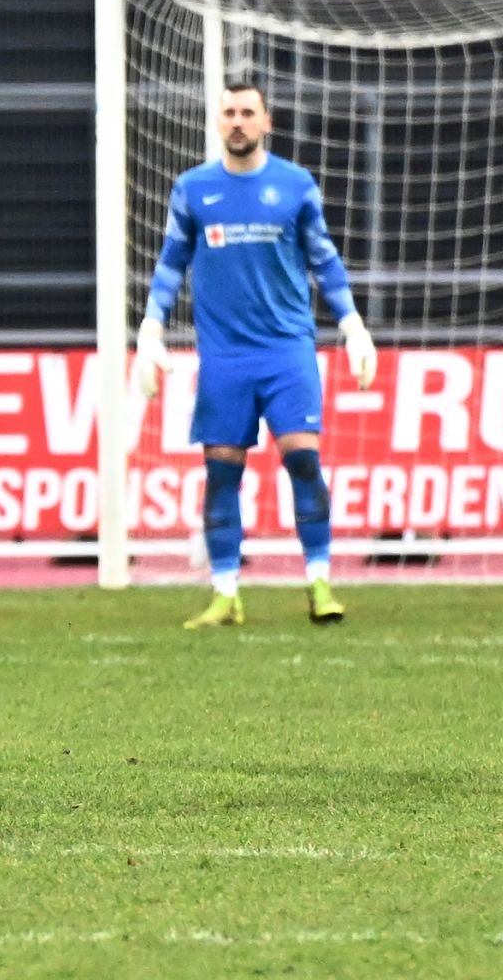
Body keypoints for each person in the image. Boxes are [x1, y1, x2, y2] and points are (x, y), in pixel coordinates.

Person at [133, 82, 379, 629]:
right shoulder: (194, 189)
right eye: (229, 113)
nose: (238, 121)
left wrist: (353, 325)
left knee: (302, 458)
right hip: (223, 357)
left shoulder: (294, 185)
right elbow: (171, 264)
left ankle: (319, 581)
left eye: (248, 112)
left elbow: (325, 260)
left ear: (266, 121)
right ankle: (226, 593)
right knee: (221, 472)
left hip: (287, 350)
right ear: (217, 122)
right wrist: (150, 327)